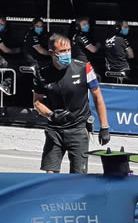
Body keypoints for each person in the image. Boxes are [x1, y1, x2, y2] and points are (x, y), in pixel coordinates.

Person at [33, 34, 111, 174]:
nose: (67, 54)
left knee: (78, 177)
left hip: (78, 129)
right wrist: (51, 115)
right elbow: (37, 102)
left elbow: (97, 96)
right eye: (62, 51)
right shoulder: (41, 73)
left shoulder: (85, 68)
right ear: (52, 53)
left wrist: (104, 127)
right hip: (54, 130)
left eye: (69, 50)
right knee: (50, 175)